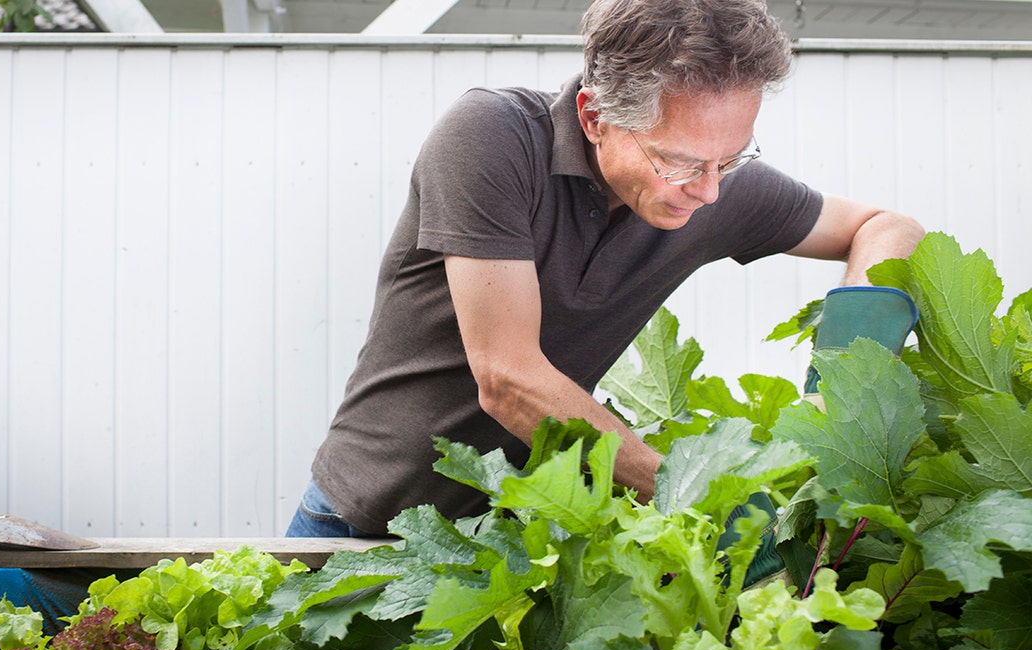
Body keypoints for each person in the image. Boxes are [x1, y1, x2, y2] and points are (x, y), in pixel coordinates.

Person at [286, 0, 925, 539]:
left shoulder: (709, 181)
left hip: (507, 539)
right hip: (362, 524)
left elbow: (889, 228)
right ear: (595, 117)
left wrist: (840, 383)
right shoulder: (492, 137)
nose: (709, 193)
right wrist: (692, 497)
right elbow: (509, 380)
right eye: (679, 161)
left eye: (732, 159)